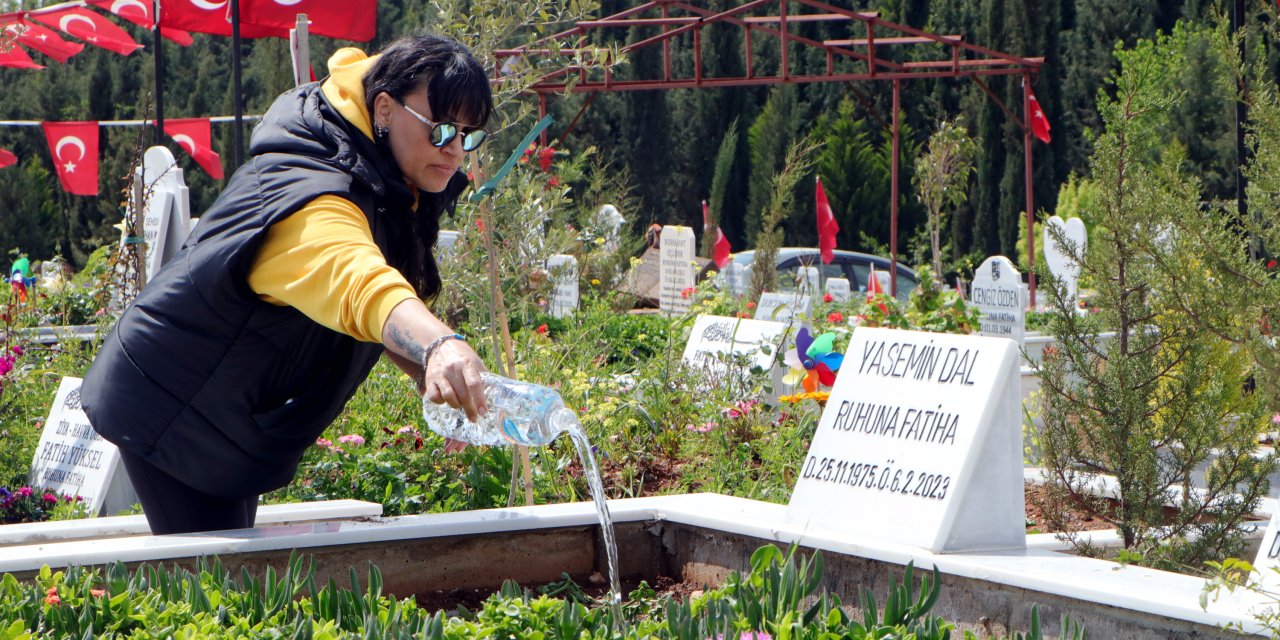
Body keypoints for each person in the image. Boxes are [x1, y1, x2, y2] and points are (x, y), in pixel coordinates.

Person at [80, 34, 494, 535]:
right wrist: (440, 344)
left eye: (469, 134)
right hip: (169, 399)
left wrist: (434, 372)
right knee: (214, 595)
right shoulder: (313, 188)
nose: (454, 151)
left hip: (228, 408)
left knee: (231, 586)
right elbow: (355, 278)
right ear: (384, 108)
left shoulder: (378, 175)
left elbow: (366, 313)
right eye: (442, 129)